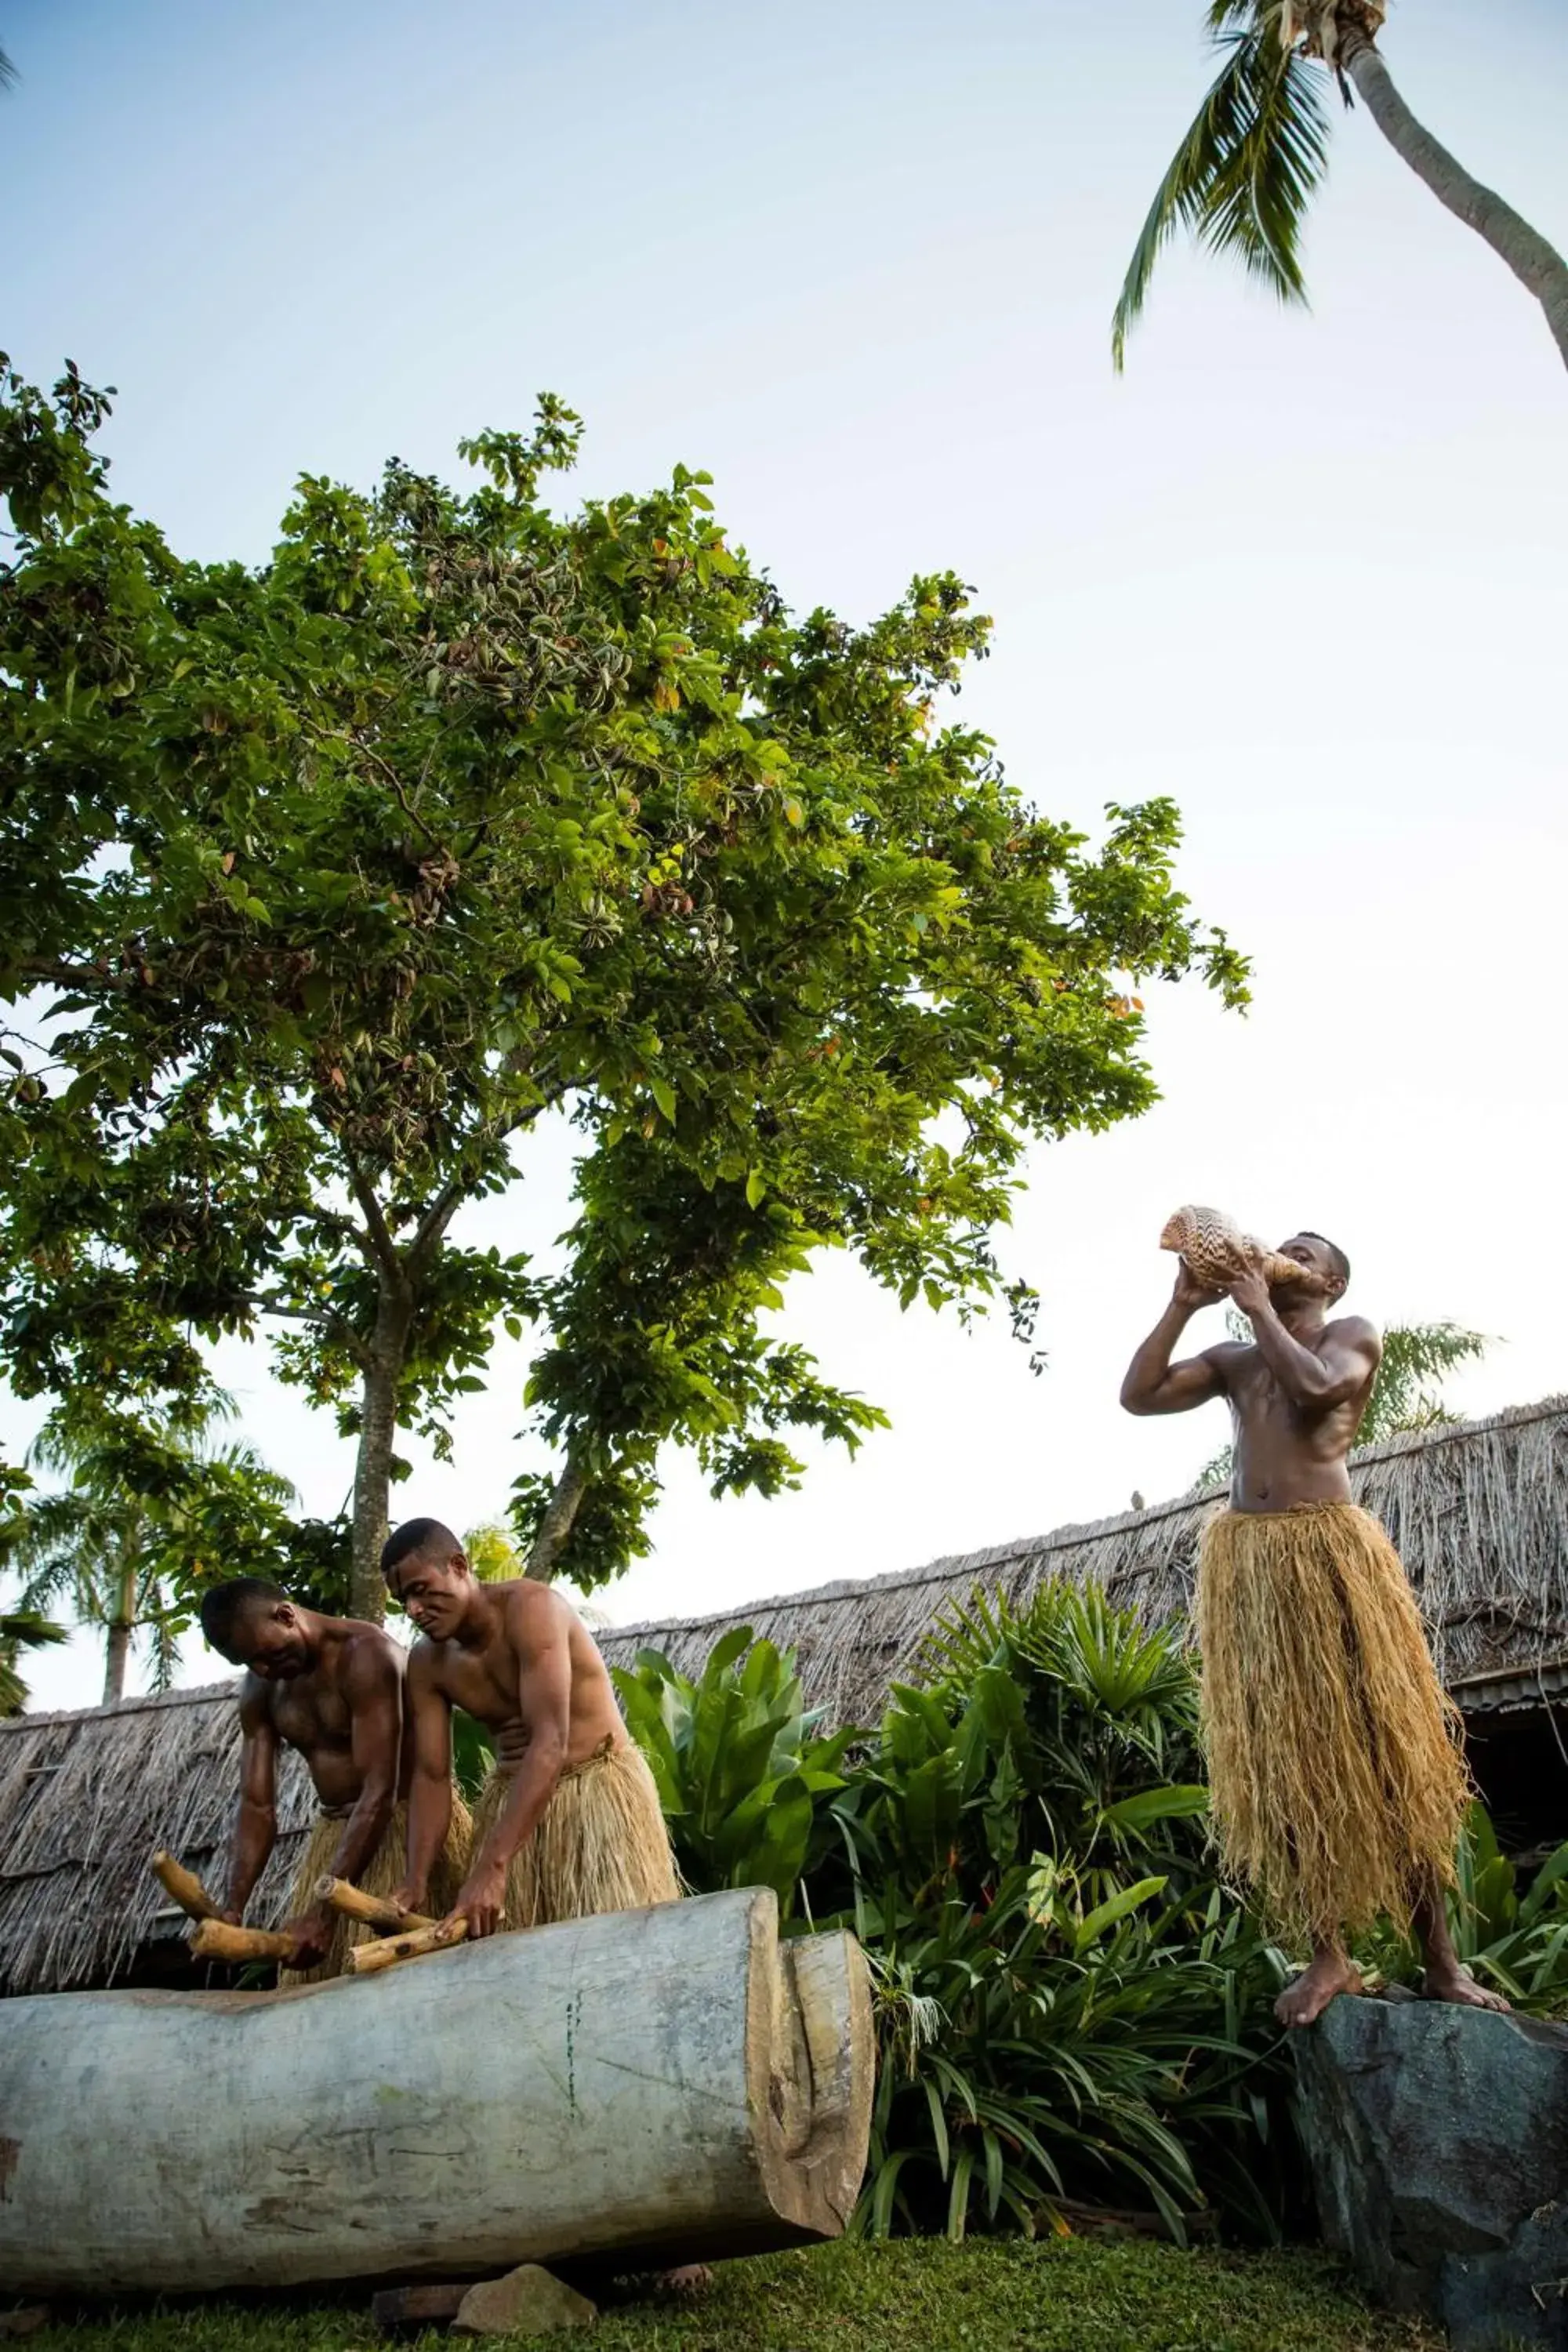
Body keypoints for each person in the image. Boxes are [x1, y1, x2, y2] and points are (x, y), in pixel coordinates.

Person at [1120, 1232, 1506, 2028]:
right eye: (1278, 1242)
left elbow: (1317, 1394)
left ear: (1326, 1279)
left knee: (1388, 1758)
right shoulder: (1233, 1360)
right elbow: (1139, 1394)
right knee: (1288, 1769)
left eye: (1300, 1248)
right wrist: (1184, 1303)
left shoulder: (1349, 1333)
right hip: (1251, 1568)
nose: (1280, 1250)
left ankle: (1439, 1962)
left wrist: (1255, 1302)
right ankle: (1328, 1954)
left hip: (1328, 1553)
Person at [381, 1519, 679, 1941]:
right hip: (509, 1804)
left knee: (616, 1948)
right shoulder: (428, 1664)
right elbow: (432, 1776)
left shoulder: (532, 1610)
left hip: (593, 1794)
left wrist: (493, 1865)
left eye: (420, 1589)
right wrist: (415, 1879)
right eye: (402, 1600)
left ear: (460, 1566)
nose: (412, 1610)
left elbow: (549, 1742)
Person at [199, 1577, 470, 1983]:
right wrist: (234, 1907)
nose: (262, 1669)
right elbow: (257, 1806)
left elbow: (378, 1791)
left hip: (404, 1830)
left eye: (266, 1655)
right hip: (335, 1837)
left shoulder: (365, 1654)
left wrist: (325, 1911)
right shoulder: (261, 1688)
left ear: (286, 1615)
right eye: (248, 1663)